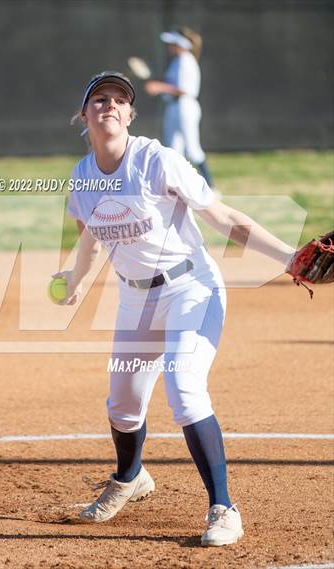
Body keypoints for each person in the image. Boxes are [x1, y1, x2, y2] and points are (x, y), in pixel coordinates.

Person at [54, 71, 294, 547]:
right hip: (135, 300)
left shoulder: (156, 161)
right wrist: (76, 280)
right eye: (98, 99)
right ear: (83, 117)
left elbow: (224, 218)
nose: (110, 105)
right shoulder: (81, 178)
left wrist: (290, 258)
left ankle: (224, 508)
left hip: (191, 290)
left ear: (130, 115)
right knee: (122, 407)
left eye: (120, 100)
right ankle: (130, 478)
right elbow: (91, 238)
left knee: (184, 390)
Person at [144, 28, 215, 190]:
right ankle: (177, 189)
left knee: (192, 149)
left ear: (181, 45)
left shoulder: (185, 60)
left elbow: (183, 89)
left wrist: (159, 87)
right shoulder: (177, 61)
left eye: (172, 43)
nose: (169, 46)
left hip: (185, 107)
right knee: (173, 151)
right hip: (175, 107)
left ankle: (210, 186)